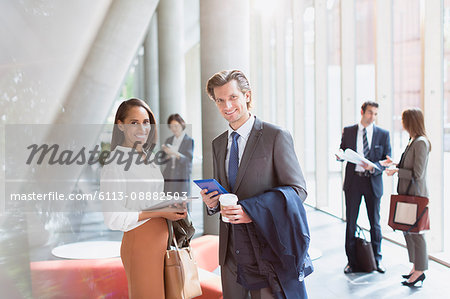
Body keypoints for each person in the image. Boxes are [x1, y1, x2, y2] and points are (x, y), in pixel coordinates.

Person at [201, 70, 310, 298]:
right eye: (220, 100)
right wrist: (212, 202)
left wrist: (253, 210)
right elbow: (225, 190)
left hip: (266, 247)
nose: (226, 106)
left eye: (233, 97)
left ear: (247, 96)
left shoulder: (275, 136)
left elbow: (298, 190)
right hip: (231, 251)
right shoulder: (218, 144)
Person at [100, 98, 187, 298]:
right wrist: (160, 211)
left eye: (146, 122)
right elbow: (112, 218)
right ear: (120, 125)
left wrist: (171, 205)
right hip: (141, 246)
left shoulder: (146, 157)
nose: (142, 128)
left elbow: (149, 197)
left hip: (161, 244)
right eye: (134, 122)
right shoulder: (115, 164)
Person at [338, 101, 391, 274]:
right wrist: (339, 155)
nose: (372, 117)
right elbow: (342, 150)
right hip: (354, 182)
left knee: (375, 223)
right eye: (370, 113)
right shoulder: (350, 131)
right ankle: (351, 262)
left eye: (375, 114)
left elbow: (387, 160)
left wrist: (375, 166)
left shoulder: (383, 134)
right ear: (362, 112)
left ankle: (377, 259)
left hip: (372, 182)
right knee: (351, 222)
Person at [382, 107, 431, 287]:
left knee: (416, 233)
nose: (401, 123)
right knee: (407, 231)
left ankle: (420, 271)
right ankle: (415, 267)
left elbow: (418, 173)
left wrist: (397, 171)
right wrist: (395, 163)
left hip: (415, 194)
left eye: (403, 120)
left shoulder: (421, 143)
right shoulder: (413, 141)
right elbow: (410, 166)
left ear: (410, 121)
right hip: (407, 193)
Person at [162, 113, 194, 196]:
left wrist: (174, 153)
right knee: (168, 202)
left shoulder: (189, 141)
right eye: (171, 126)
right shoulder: (168, 140)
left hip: (182, 175)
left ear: (182, 124)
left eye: (176, 126)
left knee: (182, 203)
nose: (173, 129)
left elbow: (188, 161)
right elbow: (163, 160)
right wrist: (167, 154)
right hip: (169, 174)